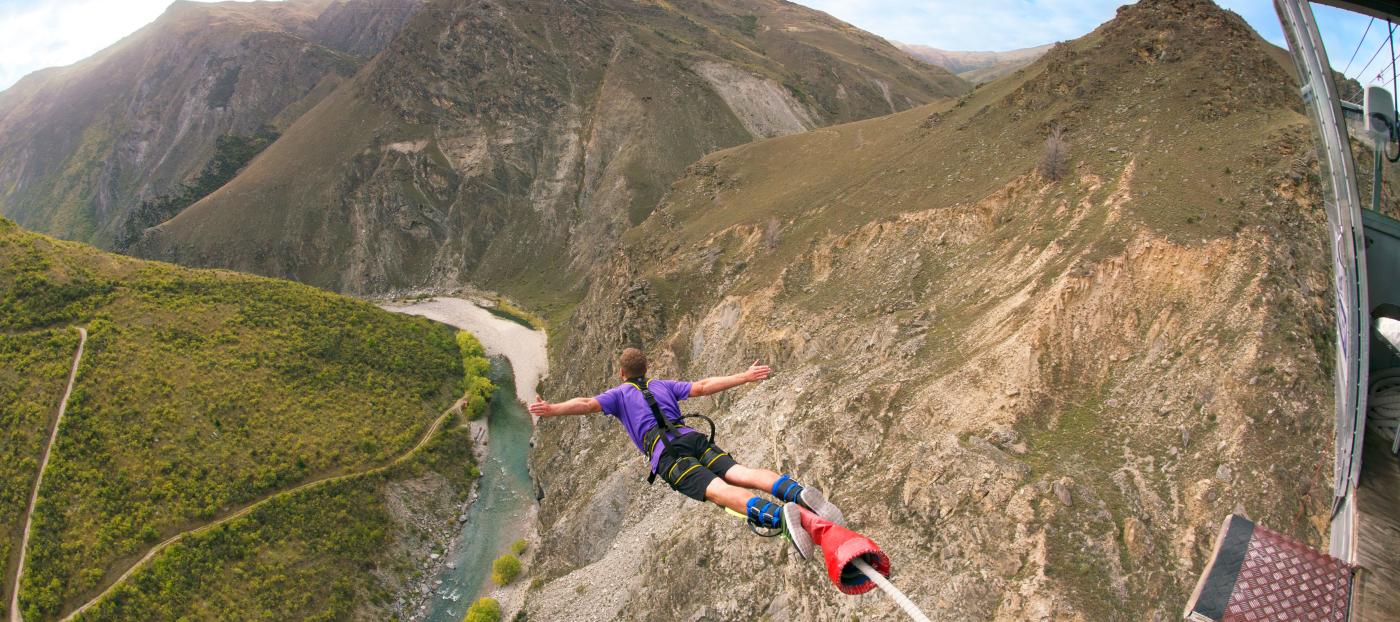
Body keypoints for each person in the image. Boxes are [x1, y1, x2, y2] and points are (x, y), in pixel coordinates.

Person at [527, 347, 843, 557]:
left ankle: (779, 517)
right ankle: (797, 493)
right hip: (691, 436)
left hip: (666, 453)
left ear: (622, 373)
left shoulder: (620, 394)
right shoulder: (663, 385)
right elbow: (703, 386)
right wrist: (744, 377)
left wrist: (551, 409)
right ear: (646, 369)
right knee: (740, 473)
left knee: (719, 491)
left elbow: (585, 405)